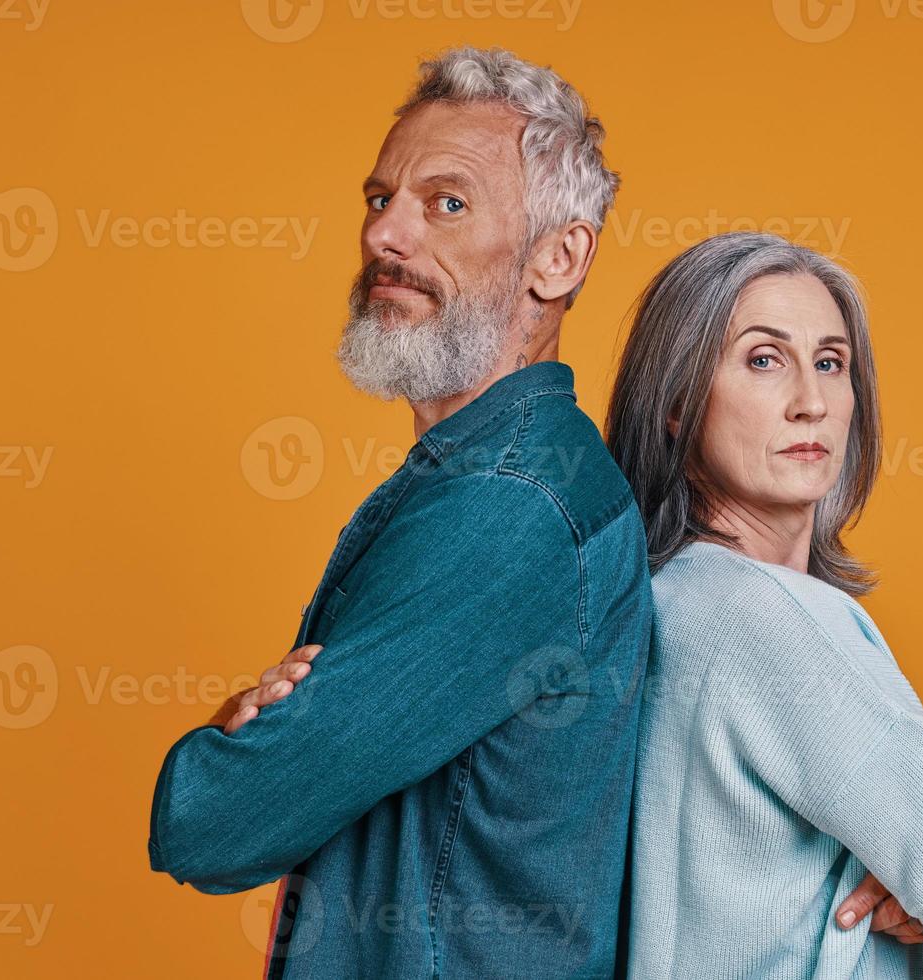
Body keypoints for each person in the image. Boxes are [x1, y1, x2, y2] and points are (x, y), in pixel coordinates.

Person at [146, 47, 652, 980]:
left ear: (559, 256)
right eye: (382, 200)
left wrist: (226, 745)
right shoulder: (499, 475)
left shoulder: (510, 508)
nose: (388, 235)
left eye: (446, 203)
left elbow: (214, 824)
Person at [607, 232, 923, 979]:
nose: (810, 403)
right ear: (678, 402)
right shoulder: (768, 619)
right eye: (762, 359)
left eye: (830, 363)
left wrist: (917, 882)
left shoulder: (661, 602)